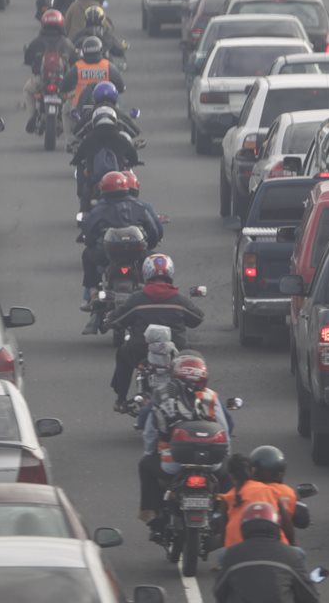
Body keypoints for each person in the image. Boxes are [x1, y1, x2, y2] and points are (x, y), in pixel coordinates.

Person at [139, 354, 228, 526]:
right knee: (228, 473)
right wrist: (223, 455)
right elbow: (224, 429)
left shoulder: (162, 395)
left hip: (171, 464)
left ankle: (152, 513)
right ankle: (227, 514)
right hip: (211, 463)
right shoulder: (211, 398)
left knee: (145, 465)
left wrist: (150, 453)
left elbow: (150, 432)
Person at [106, 253, 202, 406]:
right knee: (196, 361)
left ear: (146, 273)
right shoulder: (180, 299)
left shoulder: (136, 299)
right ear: (170, 273)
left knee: (122, 354)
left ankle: (121, 399)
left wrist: (110, 321)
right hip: (176, 350)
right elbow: (197, 319)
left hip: (141, 349)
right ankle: (196, 400)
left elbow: (117, 320)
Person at [80, 171, 161, 309]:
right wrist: (149, 245)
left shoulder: (98, 210)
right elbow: (155, 232)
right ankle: (159, 295)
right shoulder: (140, 206)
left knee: (87, 255)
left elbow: (88, 233)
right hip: (138, 254)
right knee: (158, 264)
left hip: (107, 256)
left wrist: (92, 242)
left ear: (103, 189)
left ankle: (93, 294)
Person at [214, 503, 321, 603]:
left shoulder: (231, 554)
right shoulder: (291, 554)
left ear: (245, 527)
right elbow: (309, 595)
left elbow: (219, 592)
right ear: (276, 526)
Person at [219, 445, 299, 549]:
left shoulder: (228, 497)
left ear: (231, 475)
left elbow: (223, 536)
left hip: (235, 554)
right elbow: (286, 524)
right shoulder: (270, 490)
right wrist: (293, 545)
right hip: (275, 549)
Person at [22, 10, 76, 134]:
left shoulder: (37, 42)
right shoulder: (66, 42)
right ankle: (73, 120)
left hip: (41, 81)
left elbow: (27, 58)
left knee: (27, 90)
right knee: (74, 95)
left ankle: (32, 117)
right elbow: (75, 60)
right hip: (63, 82)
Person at [61, 35, 125, 137]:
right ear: (100, 51)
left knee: (65, 110)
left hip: (81, 106)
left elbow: (64, 86)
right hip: (107, 105)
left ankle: (70, 141)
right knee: (120, 108)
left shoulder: (78, 66)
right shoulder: (107, 66)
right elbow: (121, 86)